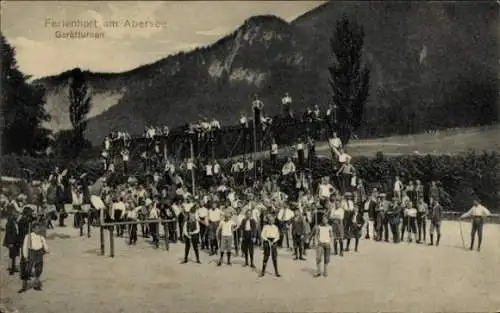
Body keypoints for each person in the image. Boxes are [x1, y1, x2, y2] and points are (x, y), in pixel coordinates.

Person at [19, 223, 49, 293]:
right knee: (28, 269)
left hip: (39, 253)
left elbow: (45, 245)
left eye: (39, 228)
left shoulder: (41, 236)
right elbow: (25, 247)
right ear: (33, 229)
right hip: (31, 252)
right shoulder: (28, 236)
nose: (38, 230)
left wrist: (47, 250)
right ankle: (24, 286)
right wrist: (26, 256)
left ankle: (36, 285)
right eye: (37, 228)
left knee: (38, 269)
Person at [3, 208, 20, 275]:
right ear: (13, 215)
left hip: (15, 241)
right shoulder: (9, 223)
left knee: (14, 255)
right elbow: (8, 233)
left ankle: (13, 267)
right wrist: (10, 242)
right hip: (12, 242)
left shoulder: (14, 222)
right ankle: (11, 269)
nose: (17, 215)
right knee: (12, 255)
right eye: (16, 214)